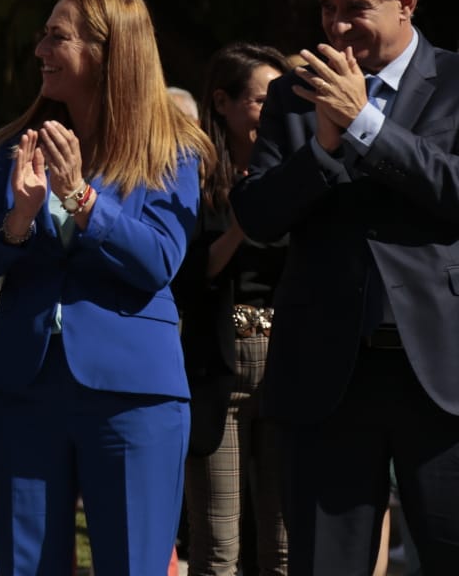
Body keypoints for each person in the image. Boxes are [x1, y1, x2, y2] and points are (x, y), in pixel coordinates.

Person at [0, 0, 212, 576]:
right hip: (23, 386)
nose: (40, 49)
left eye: (57, 36)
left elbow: (157, 262)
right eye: (44, 35)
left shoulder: (174, 152)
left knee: (133, 565)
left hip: (132, 397)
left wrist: (81, 199)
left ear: (107, 51)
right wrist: (17, 220)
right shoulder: (21, 148)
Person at [231, 0, 459, 575]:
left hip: (440, 374)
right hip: (328, 377)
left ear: (405, 1)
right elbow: (259, 217)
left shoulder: (455, 82)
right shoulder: (291, 95)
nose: (336, 25)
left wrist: (367, 126)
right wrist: (323, 151)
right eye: (326, 8)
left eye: (352, 7)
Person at [173, 43, 291, 576]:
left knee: (284, 543)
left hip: (288, 363)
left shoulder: (294, 175)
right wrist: (245, 218)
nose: (275, 112)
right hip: (217, 360)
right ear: (222, 102)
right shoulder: (192, 177)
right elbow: (191, 274)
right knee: (218, 544)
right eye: (264, 100)